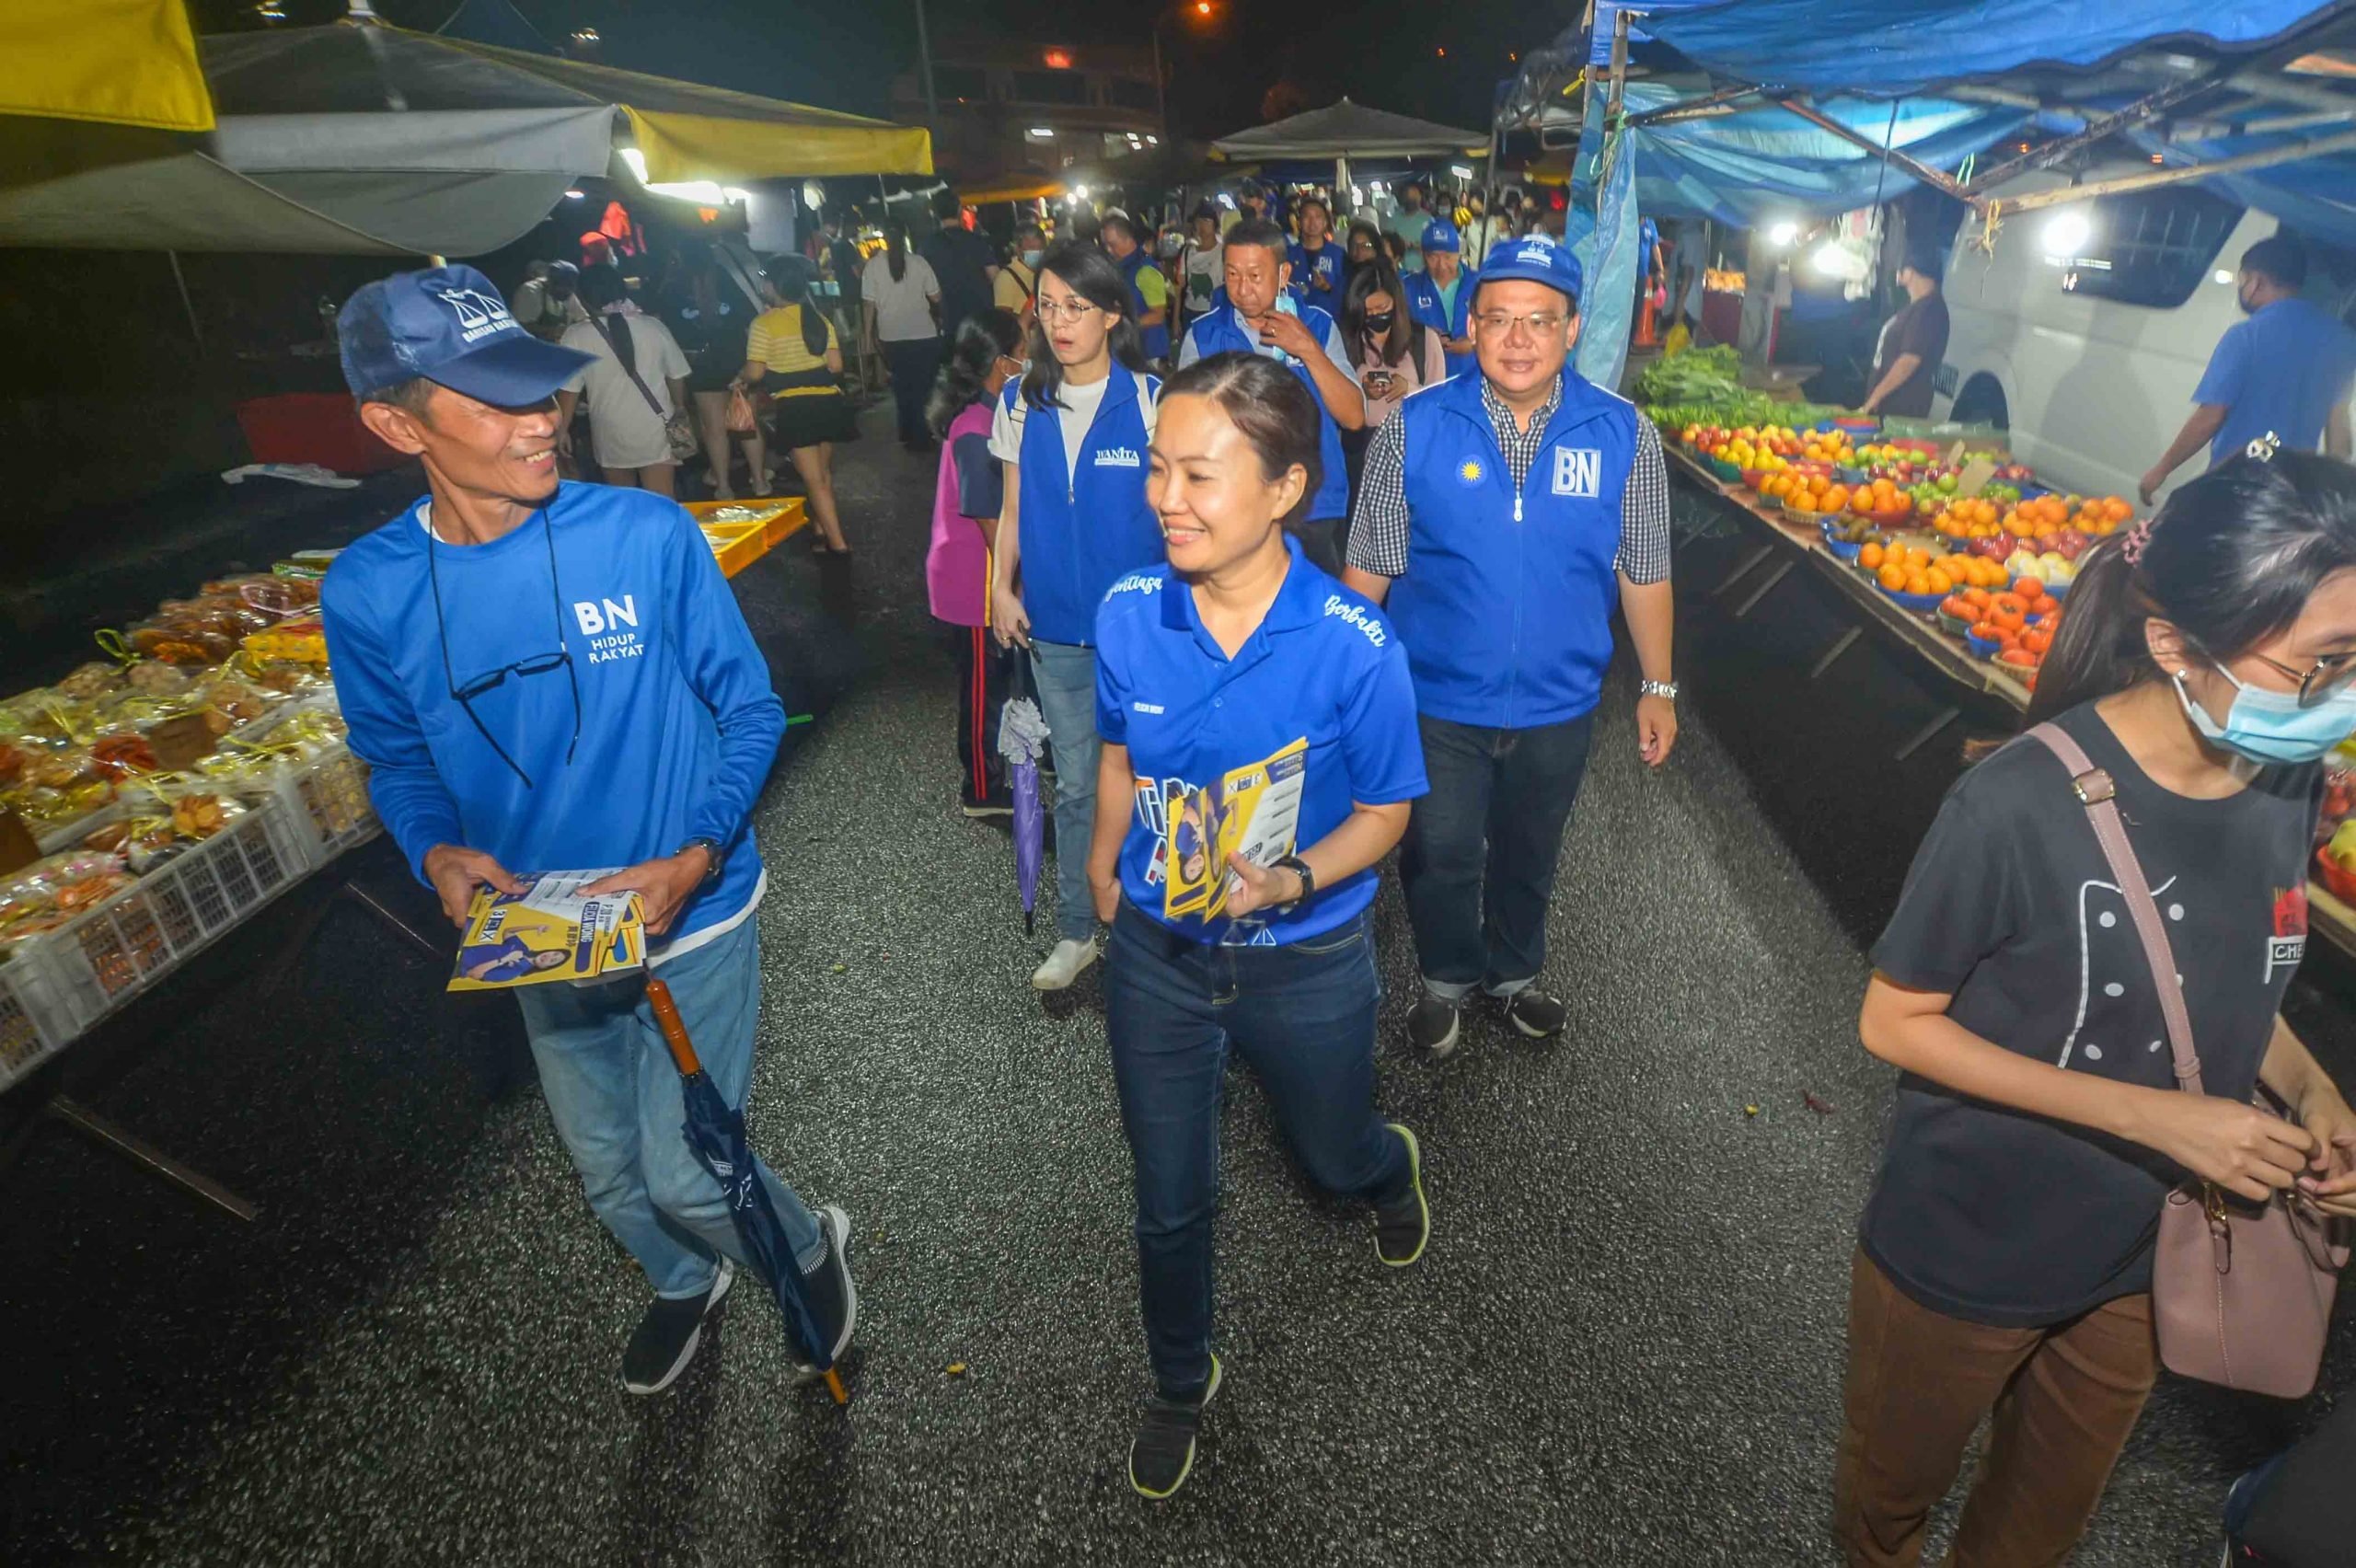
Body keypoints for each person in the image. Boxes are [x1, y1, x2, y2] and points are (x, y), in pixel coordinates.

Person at [321, 264, 859, 1400]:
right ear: (391, 422)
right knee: (613, 1175)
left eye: (541, 393)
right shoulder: (366, 590)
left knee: (690, 1170)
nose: (541, 421)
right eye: (495, 402)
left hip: (691, 913)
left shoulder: (645, 534)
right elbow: (397, 758)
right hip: (538, 938)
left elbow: (751, 705)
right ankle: (685, 1282)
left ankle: (807, 1246)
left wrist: (696, 852)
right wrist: (434, 851)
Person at [1833, 447, 2356, 1568]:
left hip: (2143, 1257)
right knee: (1890, 1506)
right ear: (2175, 645)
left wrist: (2311, 1087)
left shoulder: (2286, 782)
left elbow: (2227, 973)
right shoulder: (2016, 800)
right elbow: (1894, 1022)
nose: (2339, 701)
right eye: (2320, 666)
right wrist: (2158, 1119)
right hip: (1967, 1246)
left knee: (2038, 1528)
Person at [1084, 351, 1432, 1501]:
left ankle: (1384, 1173)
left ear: (1286, 490)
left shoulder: (1355, 645)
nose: (1164, 499)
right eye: (1156, 468)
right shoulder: (1130, 615)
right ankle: (1180, 1377)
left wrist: (1290, 880)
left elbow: (1386, 811)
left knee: (1327, 1157)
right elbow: (1121, 753)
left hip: (1309, 957)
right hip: (1161, 956)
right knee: (1168, 1192)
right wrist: (1101, 858)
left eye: (1198, 473)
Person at [1341, 236, 1678, 1055]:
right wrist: (1345, 689)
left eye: (1539, 320)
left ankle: (1515, 976)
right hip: (1437, 700)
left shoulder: (1624, 434)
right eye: (1498, 319)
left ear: (1571, 329)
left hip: (1560, 704)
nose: (1518, 338)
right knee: (1440, 850)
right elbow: (1371, 569)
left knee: (1531, 850)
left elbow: (1645, 569)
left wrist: (1659, 686)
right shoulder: (1415, 428)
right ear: (1472, 326)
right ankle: (1447, 979)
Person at [987, 243, 1164, 990]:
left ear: (1112, 315)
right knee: (1079, 784)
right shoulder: (1018, 400)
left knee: (1155, 780)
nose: (1059, 322)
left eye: (1077, 307)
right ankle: (1076, 931)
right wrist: (1001, 587)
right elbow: (1011, 509)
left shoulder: (1153, 400)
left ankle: (1157, 926)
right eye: (1049, 306)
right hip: (1055, 625)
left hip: (1144, 633)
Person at [1177, 217, 1365, 574]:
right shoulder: (1203, 336)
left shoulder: (1319, 326)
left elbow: (1354, 416)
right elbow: (1184, 427)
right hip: (1233, 506)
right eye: (1232, 274)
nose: (1242, 288)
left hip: (1313, 507)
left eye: (1255, 275)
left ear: (1283, 274)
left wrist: (1307, 349)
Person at [2142, 235, 2356, 504]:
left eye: (2241, 280)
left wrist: (2161, 470)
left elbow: (2211, 416)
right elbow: (2338, 425)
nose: (2241, 287)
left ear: (2255, 282)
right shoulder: (2344, 342)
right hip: (2293, 493)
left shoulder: (2246, 335)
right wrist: (2334, 492)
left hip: (2237, 486)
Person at [925, 309, 1026, 817]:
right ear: (1003, 364)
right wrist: (1012, 581)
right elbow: (988, 516)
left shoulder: (986, 414)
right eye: (1023, 350)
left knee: (993, 681)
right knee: (984, 688)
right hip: (976, 580)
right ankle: (981, 789)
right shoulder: (976, 427)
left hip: (980, 574)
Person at [741, 254, 855, 554]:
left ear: (772, 285)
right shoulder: (819, 319)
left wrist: (741, 378)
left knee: (814, 480)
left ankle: (839, 544)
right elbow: (836, 365)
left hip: (796, 409)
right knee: (823, 474)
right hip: (828, 404)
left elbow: (755, 372)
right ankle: (820, 530)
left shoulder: (763, 324)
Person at [556, 264, 691, 497]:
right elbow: (677, 376)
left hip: (610, 432)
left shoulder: (575, 336)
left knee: (624, 505)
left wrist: (561, 431)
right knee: (662, 504)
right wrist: (679, 407)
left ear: (583, 296)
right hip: (655, 428)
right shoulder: (653, 326)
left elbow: (569, 392)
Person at [1338, 259, 1445, 506]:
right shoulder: (1347, 342)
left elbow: (1440, 404)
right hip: (1361, 450)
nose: (1376, 316)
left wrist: (1409, 390)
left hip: (1412, 448)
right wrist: (1361, 393)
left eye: (1382, 308)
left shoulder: (1424, 341)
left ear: (1396, 303)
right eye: (1369, 312)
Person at [662, 251, 764, 501]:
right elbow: (750, 318)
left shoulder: (675, 287)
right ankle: (760, 482)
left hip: (702, 366)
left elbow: (667, 327)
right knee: (748, 424)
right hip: (737, 361)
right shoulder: (725, 281)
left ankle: (724, 486)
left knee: (714, 429)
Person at [862, 220, 944, 451]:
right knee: (923, 387)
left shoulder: (872, 267)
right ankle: (921, 433)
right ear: (906, 237)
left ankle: (907, 432)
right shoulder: (919, 263)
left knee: (902, 387)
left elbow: (868, 306)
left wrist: (868, 337)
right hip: (923, 333)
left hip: (891, 336)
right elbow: (936, 297)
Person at [1857, 243, 1950, 421]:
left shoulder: (1929, 309)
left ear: (1911, 272)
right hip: (1886, 409)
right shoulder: (1916, 306)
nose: (1898, 273)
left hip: (1902, 411)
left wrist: (1876, 396)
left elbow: (1909, 360)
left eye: (1902, 268)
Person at [918, 187, 1001, 343]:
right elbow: (995, 276)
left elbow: (923, 288)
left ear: (934, 213)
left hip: (948, 318)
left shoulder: (926, 247)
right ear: (958, 209)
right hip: (981, 317)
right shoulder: (976, 241)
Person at [1403, 218, 1479, 380]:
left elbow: (1498, 325)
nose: (1441, 265)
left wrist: (1474, 343)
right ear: (1423, 256)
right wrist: (1423, 336)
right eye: (1433, 257)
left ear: (1459, 254)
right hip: (1427, 379)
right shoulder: (1408, 288)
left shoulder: (1480, 285)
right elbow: (1395, 331)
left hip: (1472, 378)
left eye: (1448, 257)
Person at [1100, 212, 1172, 365]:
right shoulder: (1119, 267)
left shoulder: (1146, 270)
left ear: (1128, 239)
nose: (1108, 250)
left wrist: (1124, 325)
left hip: (1150, 351)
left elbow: (1158, 315)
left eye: (1112, 244)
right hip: (1130, 348)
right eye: (1105, 245)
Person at [1287, 195, 1344, 316]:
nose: (1312, 222)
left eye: (1318, 217)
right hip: (1296, 321)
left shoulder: (1339, 255)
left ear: (1325, 222)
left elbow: (1349, 294)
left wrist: (1328, 288)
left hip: (1330, 322)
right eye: (1307, 217)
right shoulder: (1288, 254)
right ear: (1299, 222)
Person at [1178, 203, 1224, 332]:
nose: (1202, 226)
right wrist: (1176, 320)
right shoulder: (1188, 251)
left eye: (1206, 221)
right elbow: (1180, 287)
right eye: (1198, 221)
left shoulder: (1223, 251)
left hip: (1214, 310)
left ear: (1215, 225)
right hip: (1190, 311)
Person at [513, 259, 585, 341]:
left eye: (570, 287)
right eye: (561, 286)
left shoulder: (568, 294)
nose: (565, 291)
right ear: (550, 281)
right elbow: (520, 326)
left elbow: (582, 318)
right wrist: (550, 330)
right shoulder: (530, 291)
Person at [994, 222, 1046, 324]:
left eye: (1040, 249)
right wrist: (1030, 319)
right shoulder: (1006, 278)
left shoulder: (1044, 272)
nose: (1037, 253)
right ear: (1018, 249)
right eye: (1031, 249)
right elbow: (1003, 316)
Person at [1391, 179, 1435, 272]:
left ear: (1420, 197)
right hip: (1400, 272)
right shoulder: (1395, 218)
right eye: (1408, 195)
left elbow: (1435, 246)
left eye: (1414, 195)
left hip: (1422, 272)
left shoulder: (1428, 219)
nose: (1410, 198)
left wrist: (1420, 246)